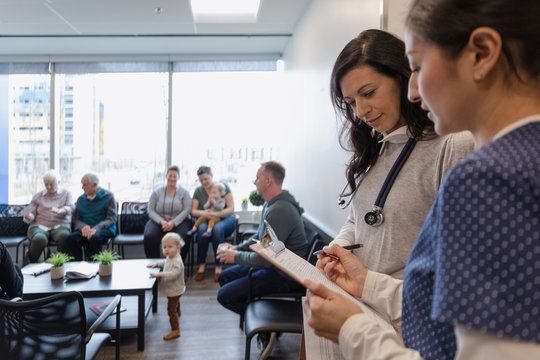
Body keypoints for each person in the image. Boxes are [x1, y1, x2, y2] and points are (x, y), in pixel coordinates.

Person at [304, 1, 540, 359]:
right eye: (351, 101)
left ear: (482, 53)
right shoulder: (515, 163)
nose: (414, 91)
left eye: (417, 67)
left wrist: (355, 330)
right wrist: (365, 283)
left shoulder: (488, 176)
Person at [329, 29, 475, 279]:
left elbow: (458, 267)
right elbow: (358, 219)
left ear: (403, 78)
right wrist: (338, 249)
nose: (361, 111)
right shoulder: (376, 148)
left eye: (368, 93)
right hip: (364, 305)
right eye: (351, 102)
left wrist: (368, 287)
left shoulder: (453, 145)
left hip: (406, 312)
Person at [216, 161, 308, 315]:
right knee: (224, 277)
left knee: (225, 296)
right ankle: (259, 316)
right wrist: (237, 248)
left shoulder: (280, 209)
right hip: (274, 266)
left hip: (284, 275)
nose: (254, 182)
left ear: (268, 181)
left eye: (257, 178)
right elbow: (261, 237)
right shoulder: (272, 205)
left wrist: (236, 256)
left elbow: (266, 259)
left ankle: (263, 322)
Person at [190, 166, 236, 282]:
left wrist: (217, 214)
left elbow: (231, 209)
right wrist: (204, 213)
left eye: (206, 179)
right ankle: (202, 265)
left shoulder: (222, 187)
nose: (203, 182)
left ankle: (218, 266)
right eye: (201, 180)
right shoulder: (198, 191)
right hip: (207, 218)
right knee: (201, 230)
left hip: (225, 219)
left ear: (212, 175)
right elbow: (193, 211)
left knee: (217, 229)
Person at [21, 170, 74, 263]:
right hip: (40, 226)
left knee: (64, 236)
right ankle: (28, 265)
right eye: (46, 184)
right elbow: (31, 213)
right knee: (39, 239)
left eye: (51, 184)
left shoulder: (66, 193)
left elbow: (71, 208)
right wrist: (29, 216)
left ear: (59, 182)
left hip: (60, 225)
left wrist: (61, 211)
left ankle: (59, 264)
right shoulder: (38, 196)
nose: (48, 187)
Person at [63, 173, 117, 261]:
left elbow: (111, 218)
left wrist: (96, 228)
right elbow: (77, 219)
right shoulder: (81, 199)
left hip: (104, 229)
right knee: (71, 239)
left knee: (94, 238)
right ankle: (77, 267)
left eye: (85, 185)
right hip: (85, 229)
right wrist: (83, 227)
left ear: (95, 185)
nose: (82, 187)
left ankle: (92, 268)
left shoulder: (108, 196)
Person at [144, 165, 192, 261]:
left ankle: (178, 268)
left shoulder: (185, 193)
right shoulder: (156, 192)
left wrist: (173, 223)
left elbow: (187, 210)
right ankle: (155, 266)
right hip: (159, 221)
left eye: (175, 176)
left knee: (183, 237)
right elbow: (150, 210)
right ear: (166, 176)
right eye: (170, 176)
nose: (172, 178)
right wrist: (162, 221)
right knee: (149, 236)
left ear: (178, 178)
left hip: (179, 221)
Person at [147, 232, 186, 340]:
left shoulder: (177, 261)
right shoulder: (172, 256)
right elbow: (166, 262)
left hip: (175, 289)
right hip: (177, 289)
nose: (166, 249)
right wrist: (157, 264)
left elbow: (173, 274)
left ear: (177, 247)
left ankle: (175, 330)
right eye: (164, 247)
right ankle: (178, 311)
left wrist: (159, 274)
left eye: (170, 247)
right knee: (175, 301)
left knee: (170, 310)